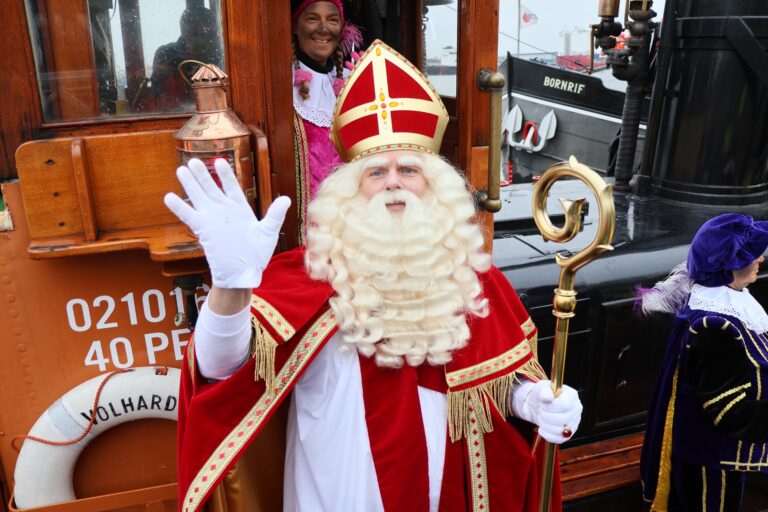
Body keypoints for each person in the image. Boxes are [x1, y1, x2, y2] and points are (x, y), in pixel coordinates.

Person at [167, 40, 582, 512]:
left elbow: (502, 386)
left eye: (409, 168)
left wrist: (536, 403)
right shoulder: (306, 276)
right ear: (348, 193)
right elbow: (220, 374)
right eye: (375, 172)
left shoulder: (475, 280)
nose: (392, 181)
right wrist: (231, 288)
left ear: (437, 188)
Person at [637, 213, 768, 511]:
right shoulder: (715, 326)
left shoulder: (730, 303)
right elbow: (729, 412)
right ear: (726, 267)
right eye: (751, 255)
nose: (760, 258)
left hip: (718, 458)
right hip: (711, 466)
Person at [291, 0, 362, 239]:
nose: (323, 28)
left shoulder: (353, 80)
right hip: (301, 226)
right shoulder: (282, 82)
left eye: (332, 20)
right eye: (312, 18)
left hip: (352, 222)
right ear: (295, 26)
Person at [147, 6, 223, 111]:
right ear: (184, 31)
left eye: (209, 35)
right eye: (196, 33)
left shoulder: (220, 54)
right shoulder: (167, 54)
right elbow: (160, 96)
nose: (202, 39)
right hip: (174, 116)